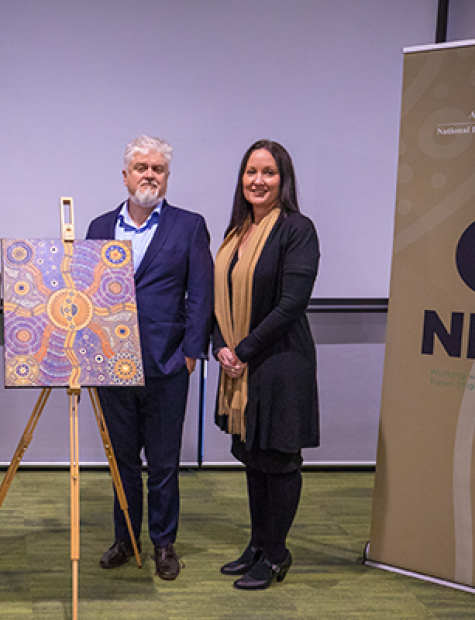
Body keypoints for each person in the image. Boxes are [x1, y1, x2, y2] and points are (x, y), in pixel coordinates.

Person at [86, 135, 213, 580]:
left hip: (166, 365)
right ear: (125, 176)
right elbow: (89, 296)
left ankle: (163, 543)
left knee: (163, 463)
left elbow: (200, 293)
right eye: (141, 167)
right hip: (112, 367)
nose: (149, 175)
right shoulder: (99, 227)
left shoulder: (189, 225)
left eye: (157, 168)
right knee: (121, 462)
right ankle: (125, 539)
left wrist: (192, 354)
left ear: (167, 177)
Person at [212, 139, 320, 590]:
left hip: (279, 362)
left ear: (283, 180)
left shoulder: (298, 229)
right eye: (251, 172)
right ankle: (258, 544)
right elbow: (221, 301)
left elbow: (292, 304)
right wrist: (222, 345)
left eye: (269, 173)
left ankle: (277, 553)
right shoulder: (236, 232)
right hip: (240, 363)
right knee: (253, 458)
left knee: (279, 458)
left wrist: (244, 349)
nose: (258, 180)